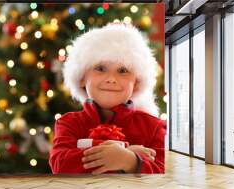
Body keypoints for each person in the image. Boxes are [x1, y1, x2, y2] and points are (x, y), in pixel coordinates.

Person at [49, 23, 166, 174]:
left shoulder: (154, 127)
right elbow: (61, 166)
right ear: (82, 77)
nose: (111, 79)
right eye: (100, 68)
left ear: (136, 82)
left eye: (122, 70)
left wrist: (130, 161)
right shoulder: (68, 123)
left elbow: (163, 173)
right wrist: (124, 151)